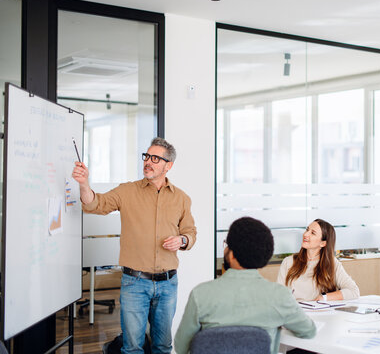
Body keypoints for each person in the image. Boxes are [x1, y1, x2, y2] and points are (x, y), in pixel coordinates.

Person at [72, 137, 196, 354]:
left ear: (169, 165)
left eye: (155, 158)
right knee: (132, 348)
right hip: (135, 283)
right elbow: (95, 205)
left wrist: (183, 240)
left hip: (168, 284)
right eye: (147, 156)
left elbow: (190, 232)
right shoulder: (127, 191)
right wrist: (84, 184)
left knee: (163, 346)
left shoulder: (182, 198)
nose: (148, 161)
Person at [174, 217, 316, 354]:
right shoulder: (280, 296)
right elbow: (309, 331)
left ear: (232, 255)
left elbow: (181, 347)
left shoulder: (201, 294)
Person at [277, 219, 359, 301]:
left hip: (320, 313)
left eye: (313, 233)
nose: (306, 234)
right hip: (294, 312)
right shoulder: (288, 262)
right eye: (307, 230)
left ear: (322, 243)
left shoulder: (332, 264)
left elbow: (354, 291)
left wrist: (324, 297)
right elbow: (279, 296)